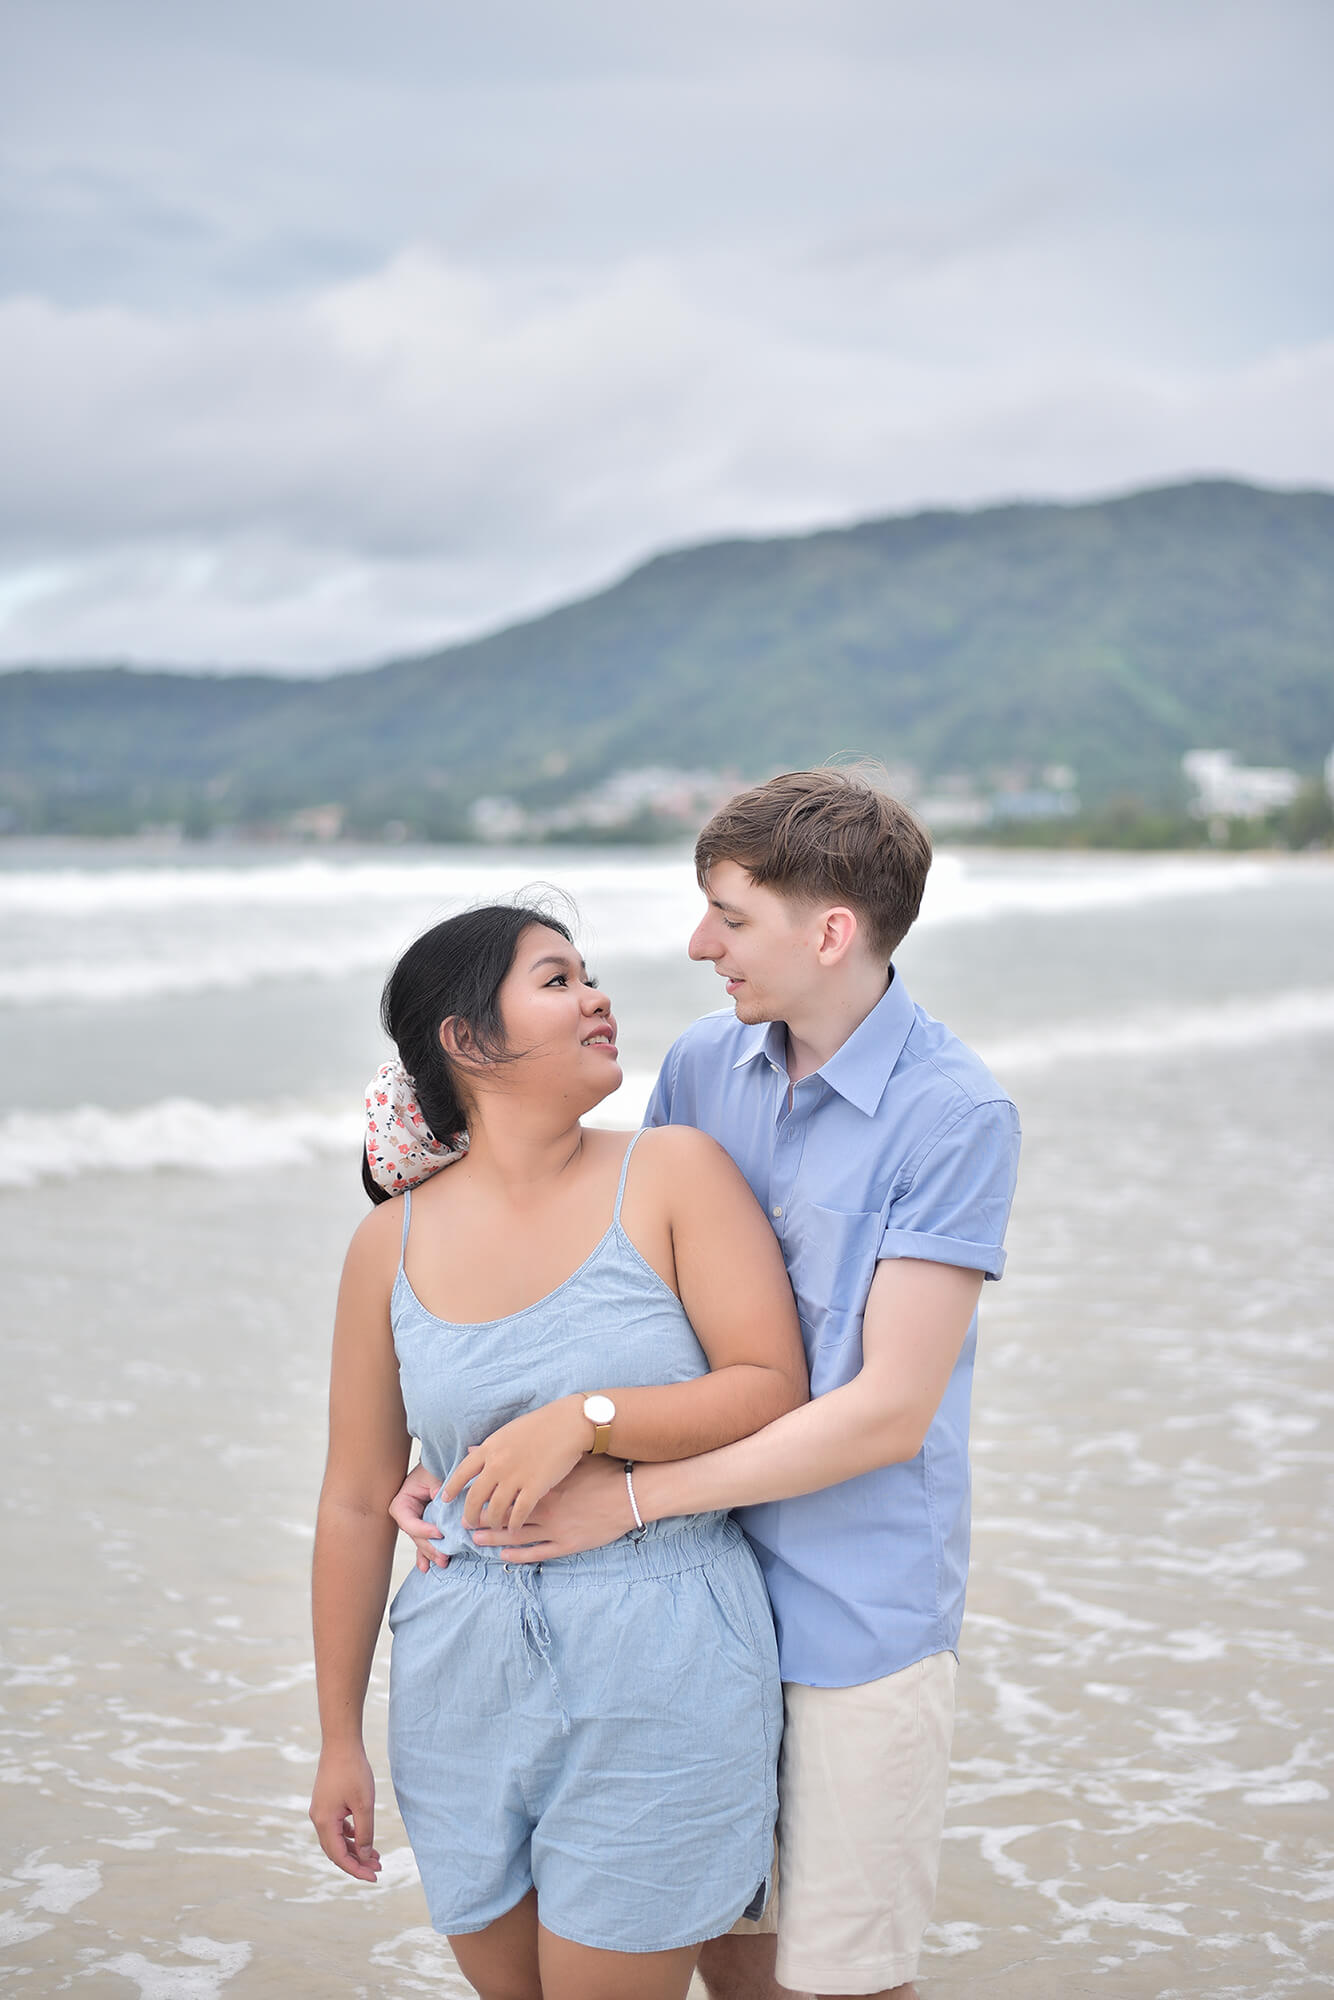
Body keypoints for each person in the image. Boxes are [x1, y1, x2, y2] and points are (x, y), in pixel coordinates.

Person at [392, 769, 1022, 2000]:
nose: (695, 945)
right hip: (688, 1617)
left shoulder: (953, 1114)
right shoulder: (702, 1065)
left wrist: (627, 1492)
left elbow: (888, 1408)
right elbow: (621, 1286)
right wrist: (471, 1433)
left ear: (827, 930)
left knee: (834, 1982)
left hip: (851, 1608)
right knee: (726, 1966)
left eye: (726, 917)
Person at [309, 902, 809, 2000]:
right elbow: (353, 1501)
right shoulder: (384, 1242)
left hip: (662, 1651)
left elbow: (770, 1386)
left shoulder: (673, 1171)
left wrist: (585, 1415)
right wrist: (337, 1737)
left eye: (586, 974)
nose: (596, 996)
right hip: (457, 1671)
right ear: (466, 1040)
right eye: (555, 978)